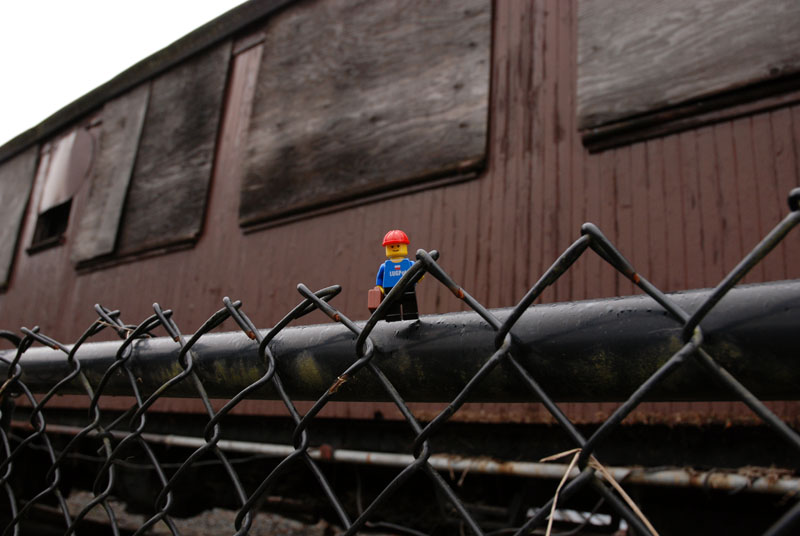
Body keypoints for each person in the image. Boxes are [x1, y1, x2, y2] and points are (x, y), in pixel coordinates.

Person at [374, 229, 419, 321]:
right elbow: (380, 278)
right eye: (391, 246)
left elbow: (418, 272)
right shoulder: (385, 266)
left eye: (398, 245)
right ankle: (393, 318)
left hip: (407, 288)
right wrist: (379, 286)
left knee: (409, 304)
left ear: (404, 246)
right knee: (392, 307)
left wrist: (419, 277)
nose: (395, 248)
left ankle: (411, 316)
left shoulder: (410, 264)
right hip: (390, 290)